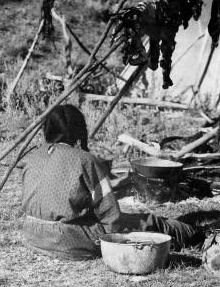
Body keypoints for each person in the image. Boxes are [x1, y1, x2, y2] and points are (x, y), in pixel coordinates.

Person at [20, 104, 202, 261]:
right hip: (67, 242)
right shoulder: (85, 160)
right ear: (78, 131)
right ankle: (196, 235)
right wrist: (127, 231)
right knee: (147, 221)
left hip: (32, 234)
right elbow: (111, 217)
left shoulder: (33, 157)